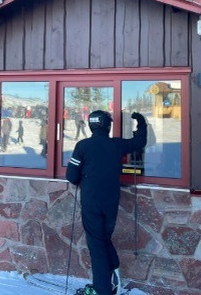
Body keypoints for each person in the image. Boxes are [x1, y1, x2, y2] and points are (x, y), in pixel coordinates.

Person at [66, 110, 147, 295]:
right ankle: (113, 274)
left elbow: (71, 175)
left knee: (96, 244)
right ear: (107, 125)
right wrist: (141, 123)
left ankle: (102, 290)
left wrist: (83, 179)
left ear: (91, 125)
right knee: (103, 239)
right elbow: (139, 142)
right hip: (111, 200)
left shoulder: (83, 146)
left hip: (91, 200)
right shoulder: (116, 145)